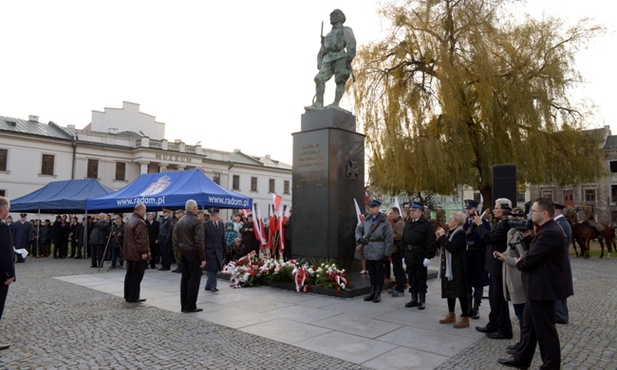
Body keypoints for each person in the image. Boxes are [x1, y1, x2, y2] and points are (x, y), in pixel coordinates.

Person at [498, 198, 568, 369]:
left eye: (534, 211)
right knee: (529, 329)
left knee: (545, 332)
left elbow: (530, 260)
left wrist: (521, 261)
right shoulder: (544, 230)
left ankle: (550, 366)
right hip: (535, 288)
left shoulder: (550, 232)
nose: (530, 214)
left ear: (544, 213)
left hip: (542, 289)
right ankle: (522, 359)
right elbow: (535, 254)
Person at [472, 198, 514, 340]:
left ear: (505, 208)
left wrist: (479, 224)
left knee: (499, 299)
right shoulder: (501, 223)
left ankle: (504, 329)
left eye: (496, 207)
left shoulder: (506, 224)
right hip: (493, 266)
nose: (494, 210)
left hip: (498, 266)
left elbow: (489, 238)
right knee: (493, 298)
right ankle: (493, 323)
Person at [305, 9, 356, 111]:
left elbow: (351, 45)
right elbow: (322, 50)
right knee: (319, 78)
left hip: (341, 58)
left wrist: (348, 59)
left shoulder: (346, 30)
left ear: (340, 17)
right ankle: (318, 104)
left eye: (333, 15)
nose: (331, 17)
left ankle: (335, 103)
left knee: (340, 80)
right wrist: (319, 61)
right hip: (327, 59)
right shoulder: (328, 35)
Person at [493, 207, 529, 350]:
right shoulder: (513, 233)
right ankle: (523, 342)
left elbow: (523, 259)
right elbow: (512, 252)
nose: (512, 219)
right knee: (520, 313)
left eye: (516, 217)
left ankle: (524, 344)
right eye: (511, 217)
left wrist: (505, 258)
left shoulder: (520, 235)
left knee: (522, 315)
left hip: (518, 280)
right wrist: (502, 254)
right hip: (512, 279)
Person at [435, 211, 470, 328]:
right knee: (450, 291)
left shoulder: (460, 233)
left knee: (460, 292)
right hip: (449, 267)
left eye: (451, 219)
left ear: (457, 222)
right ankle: (451, 314)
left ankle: (465, 317)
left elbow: (452, 248)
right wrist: (440, 237)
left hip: (457, 268)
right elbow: (443, 246)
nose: (448, 221)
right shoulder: (450, 232)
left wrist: (443, 237)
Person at [355, 199, 393, 303]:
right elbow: (358, 229)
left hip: (379, 249)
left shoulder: (384, 222)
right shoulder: (367, 220)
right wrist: (359, 239)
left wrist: (386, 253)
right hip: (368, 248)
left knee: (379, 273)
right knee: (371, 272)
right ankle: (372, 291)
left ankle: (378, 293)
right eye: (370, 207)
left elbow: (389, 239)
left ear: (378, 208)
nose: (371, 209)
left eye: (373, 207)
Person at [403, 201, 437, 310]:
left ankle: (422, 300)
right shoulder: (408, 223)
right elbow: (404, 240)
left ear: (420, 212)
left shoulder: (426, 225)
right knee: (412, 277)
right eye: (411, 210)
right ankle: (414, 298)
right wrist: (403, 255)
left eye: (414, 210)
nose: (411, 212)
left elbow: (430, 241)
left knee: (421, 279)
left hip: (420, 255)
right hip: (409, 254)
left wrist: (428, 256)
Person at [176, 199, 206, 313]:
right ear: (193, 208)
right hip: (193, 253)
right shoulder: (196, 221)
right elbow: (199, 241)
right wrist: (202, 258)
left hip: (183, 252)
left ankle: (184, 304)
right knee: (194, 280)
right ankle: (191, 305)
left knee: (185, 279)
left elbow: (177, 239)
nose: (197, 209)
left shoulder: (180, 221)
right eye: (196, 207)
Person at [463, 199, 491, 319]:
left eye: (470, 209)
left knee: (478, 284)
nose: (468, 211)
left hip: (478, 255)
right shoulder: (464, 223)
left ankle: (476, 308)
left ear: (475, 209)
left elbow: (487, 239)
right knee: (466, 283)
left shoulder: (484, 223)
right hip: (466, 255)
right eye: (467, 209)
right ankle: (468, 307)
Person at [123, 203, 150, 303]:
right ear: (141, 210)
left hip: (130, 253)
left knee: (130, 275)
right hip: (137, 254)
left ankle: (128, 295)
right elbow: (141, 239)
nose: (145, 212)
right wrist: (143, 251)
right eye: (145, 210)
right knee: (136, 276)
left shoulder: (129, 220)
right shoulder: (139, 222)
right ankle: (133, 296)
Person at [553, 203, 573, 324]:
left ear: (556, 211)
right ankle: (562, 314)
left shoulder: (560, 224)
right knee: (561, 287)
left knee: (558, 287)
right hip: (562, 259)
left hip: (559, 260)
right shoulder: (563, 223)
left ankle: (560, 315)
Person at [0, 197, 15, 351]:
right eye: (8, 209)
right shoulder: (2, 227)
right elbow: (5, 253)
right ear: (3, 210)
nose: (8, 212)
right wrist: (9, 273)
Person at [203, 208, 226, 293]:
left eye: (215, 215)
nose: (213, 217)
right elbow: (203, 239)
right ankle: (213, 285)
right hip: (209, 251)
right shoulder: (205, 225)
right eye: (211, 215)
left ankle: (208, 285)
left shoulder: (221, 225)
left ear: (217, 215)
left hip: (218, 251)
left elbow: (223, 239)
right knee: (212, 269)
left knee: (215, 269)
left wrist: (225, 250)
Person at [389, 206, 407, 297]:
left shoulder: (400, 223)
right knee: (397, 269)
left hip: (397, 249)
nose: (390, 215)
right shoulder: (396, 222)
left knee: (398, 269)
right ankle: (399, 286)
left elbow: (399, 236)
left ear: (396, 213)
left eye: (392, 213)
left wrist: (390, 236)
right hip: (394, 249)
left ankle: (400, 289)